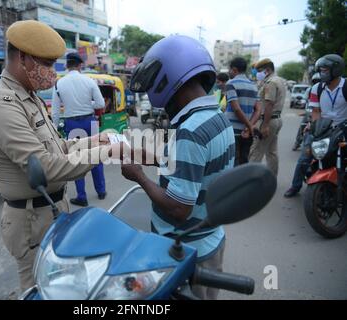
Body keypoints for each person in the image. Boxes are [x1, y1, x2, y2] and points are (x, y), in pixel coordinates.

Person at [0, 20, 120, 292]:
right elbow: (46, 166)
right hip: (31, 220)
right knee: (40, 291)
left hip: (51, 210)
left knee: (62, 288)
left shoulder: (29, 97)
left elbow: (59, 148)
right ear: (23, 58)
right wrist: (109, 151)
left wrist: (96, 140)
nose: (52, 73)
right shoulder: (1, 106)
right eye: (47, 63)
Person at [121, 35, 235, 300]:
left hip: (188, 249)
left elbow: (178, 208)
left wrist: (139, 177)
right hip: (210, 238)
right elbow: (200, 168)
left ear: (167, 80)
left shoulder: (190, 131)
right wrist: (153, 157)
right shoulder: (216, 117)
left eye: (152, 84)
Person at [285, 54, 347, 198]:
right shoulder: (316, 88)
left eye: (325, 70)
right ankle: (295, 186)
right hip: (323, 129)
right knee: (304, 158)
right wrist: (314, 127)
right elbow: (316, 112)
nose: (322, 73)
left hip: (343, 129)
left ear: (336, 70)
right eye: (321, 70)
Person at [51, 52, 107, 207]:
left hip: (72, 124)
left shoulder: (59, 84)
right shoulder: (89, 81)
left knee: (76, 159)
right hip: (91, 121)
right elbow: (101, 104)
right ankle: (101, 190)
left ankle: (82, 196)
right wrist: (89, 105)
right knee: (97, 156)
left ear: (67, 65)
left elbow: (55, 112)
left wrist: (54, 130)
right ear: (80, 65)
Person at [249, 58, 287, 177]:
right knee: (272, 152)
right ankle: (272, 178)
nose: (258, 73)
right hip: (276, 119)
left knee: (256, 151)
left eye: (259, 70)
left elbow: (269, 104)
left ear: (267, 70)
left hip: (268, 120)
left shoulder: (270, 82)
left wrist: (264, 125)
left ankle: (249, 180)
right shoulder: (279, 80)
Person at [225, 57, 261, 166]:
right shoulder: (253, 86)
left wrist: (249, 127)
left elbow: (236, 109)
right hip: (247, 132)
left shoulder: (231, 83)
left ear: (234, 70)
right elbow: (258, 109)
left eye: (230, 70)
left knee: (232, 162)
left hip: (233, 131)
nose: (229, 72)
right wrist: (249, 127)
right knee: (244, 161)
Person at [292, 73, 321, 151]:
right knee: (302, 126)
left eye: (319, 81)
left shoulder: (324, 89)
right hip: (309, 112)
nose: (317, 83)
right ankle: (297, 143)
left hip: (321, 113)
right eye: (315, 81)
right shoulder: (310, 89)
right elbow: (304, 100)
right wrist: (302, 106)